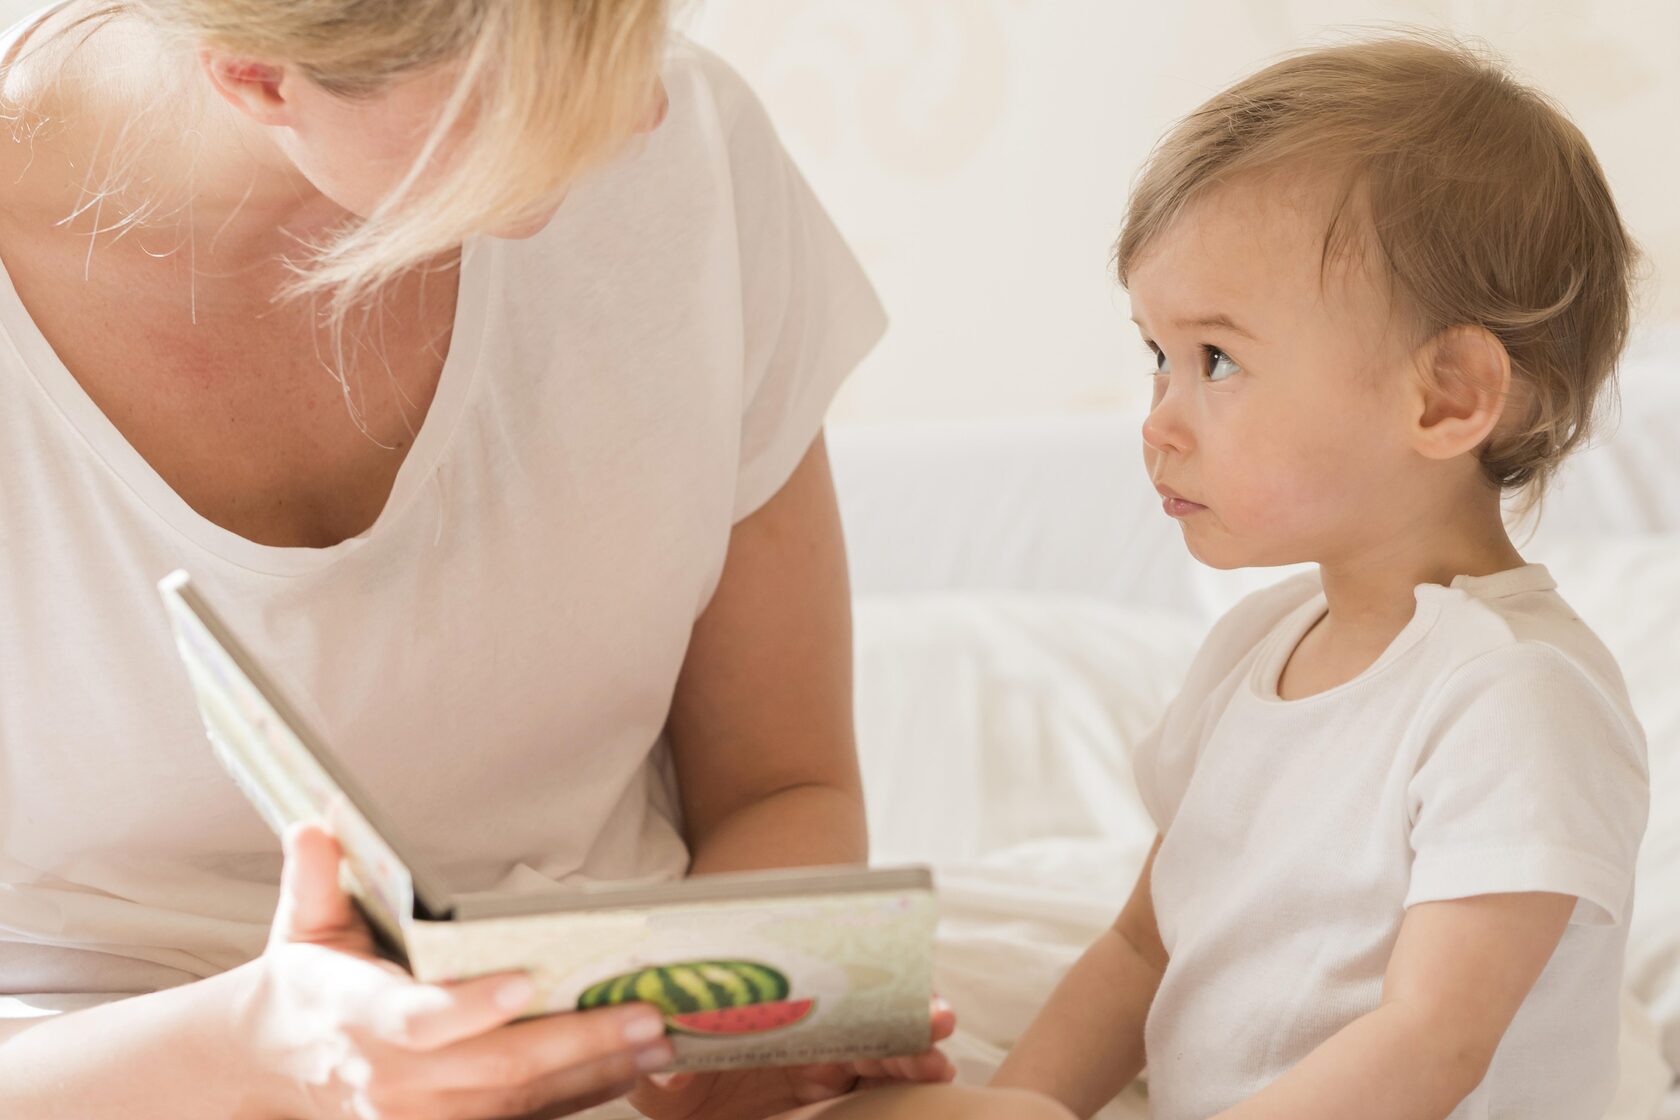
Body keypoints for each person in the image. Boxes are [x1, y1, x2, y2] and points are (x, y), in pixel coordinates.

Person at [0, 2, 1011, 1117]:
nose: (640, 116)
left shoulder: (693, 155)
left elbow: (783, 782)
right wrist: (261, 1048)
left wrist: (716, 1041)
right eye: (527, 96)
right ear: (258, 77)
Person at [977, 33, 1649, 1120]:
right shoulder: (1254, 648)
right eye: (1156, 352)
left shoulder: (1514, 695)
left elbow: (1431, 1044)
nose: (1158, 421)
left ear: (1444, 397)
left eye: (1218, 360)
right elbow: (1145, 940)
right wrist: (1017, 1103)